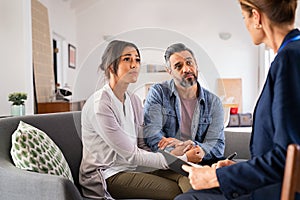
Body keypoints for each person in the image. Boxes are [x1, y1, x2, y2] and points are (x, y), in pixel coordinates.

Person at [175, 0, 300, 199]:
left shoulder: (289, 59)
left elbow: (288, 158)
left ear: (256, 17)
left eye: (244, 18)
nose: (246, 24)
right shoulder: (291, 54)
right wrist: (235, 169)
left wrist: (216, 177)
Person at [79, 40, 192, 200]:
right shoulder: (100, 106)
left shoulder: (134, 100)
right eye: (127, 59)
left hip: (135, 166)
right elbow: (131, 155)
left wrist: (172, 148)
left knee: (188, 176)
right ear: (111, 66)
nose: (135, 65)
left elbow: (142, 144)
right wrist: (175, 157)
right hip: (109, 174)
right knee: (173, 190)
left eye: (137, 60)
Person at [143, 43, 225, 165]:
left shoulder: (214, 102)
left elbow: (218, 145)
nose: (186, 69)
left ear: (196, 65)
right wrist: (180, 154)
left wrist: (197, 148)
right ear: (169, 71)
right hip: (171, 162)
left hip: (202, 163)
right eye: (178, 66)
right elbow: (152, 135)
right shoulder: (158, 93)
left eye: (189, 63)